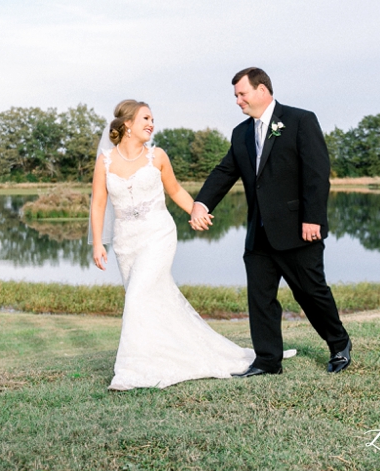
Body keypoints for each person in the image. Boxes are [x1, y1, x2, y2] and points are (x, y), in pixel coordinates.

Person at [90, 99, 294, 391]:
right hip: (125, 241)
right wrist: (99, 243)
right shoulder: (106, 160)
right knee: (151, 300)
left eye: (152, 119)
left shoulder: (157, 156)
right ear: (127, 125)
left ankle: (130, 370)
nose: (151, 124)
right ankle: (158, 356)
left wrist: (197, 210)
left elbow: (175, 190)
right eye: (145, 118)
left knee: (137, 295)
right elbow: (98, 203)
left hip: (157, 234)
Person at [190, 67, 352, 377]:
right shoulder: (240, 133)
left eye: (242, 94)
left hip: (299, 229)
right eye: (236, 96)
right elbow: (225, 172)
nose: (238, 101)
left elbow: (317, 173)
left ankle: (339, 342)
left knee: (311, 292)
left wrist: (313, 218)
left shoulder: (300, 120)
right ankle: (267, 360)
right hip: (259, 233)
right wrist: (201, 202)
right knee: (260, 298)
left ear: (262, 90)